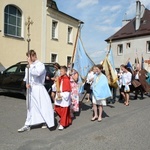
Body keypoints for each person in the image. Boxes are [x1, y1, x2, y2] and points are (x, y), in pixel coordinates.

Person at [18, 50, 54, 132]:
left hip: (38, 88)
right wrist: (26, 83)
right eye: (27, 57)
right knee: (30, 106)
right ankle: (27, 124)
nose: (28, 59)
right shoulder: (28, 66)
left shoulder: (40, 65)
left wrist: (30, 65)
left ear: (34, 56)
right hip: (31, 89)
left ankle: (45, 121)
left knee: (42, 106)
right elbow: (27, 77)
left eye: (29, 57)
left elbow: (37, 73)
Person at [54, 66, 72, 130]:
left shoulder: (66, 79)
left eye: (61, 71)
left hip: (64, 98)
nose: (60, 72)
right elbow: (56, 86)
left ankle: (62, 124)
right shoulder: (60, 78)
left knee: (64, 111)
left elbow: (67, 91)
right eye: (60, 71)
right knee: (57, 108)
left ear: (65, 72)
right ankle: (65, 120)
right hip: (59, 96)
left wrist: (61, 94)